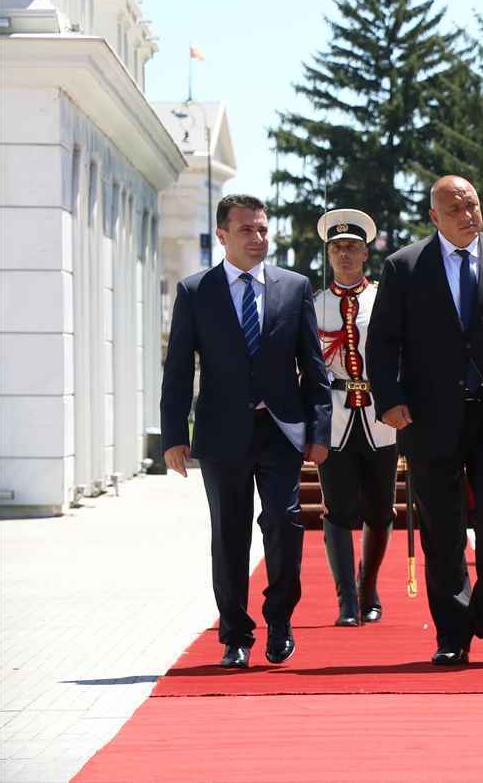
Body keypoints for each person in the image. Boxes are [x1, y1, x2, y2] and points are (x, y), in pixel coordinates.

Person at [366, 175, 483, 666]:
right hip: (430, 420)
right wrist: (389, 400)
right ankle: (451, 633)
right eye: (455, 209)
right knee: (443, 532)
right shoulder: (405, 267)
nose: (468, 215)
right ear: (434, 217)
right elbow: (383, 342)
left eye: (472, 204)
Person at [160, 193, 331, 670]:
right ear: (222, 236)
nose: (257, 238)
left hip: (280, 430)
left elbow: (313, 368)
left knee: (282, 519)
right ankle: (235, 634)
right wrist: (174, 434)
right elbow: (177, 369)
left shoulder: (293, 288)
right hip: (221, 434)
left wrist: (318, 430)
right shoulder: (196, 292)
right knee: (230, 535)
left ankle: (279, 620)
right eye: (246, 230)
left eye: (262, 229)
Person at [312, 209, 398, 627]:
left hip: (380, 420)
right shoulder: (313, 305)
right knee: (338, 509)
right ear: (328, 255)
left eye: (352, 247)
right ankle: (346, 600)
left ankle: (369, 589)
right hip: (336, 421)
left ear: (366, 253)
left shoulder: (384, 299)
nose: (344, 254)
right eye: (337, 248)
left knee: (381, 510)